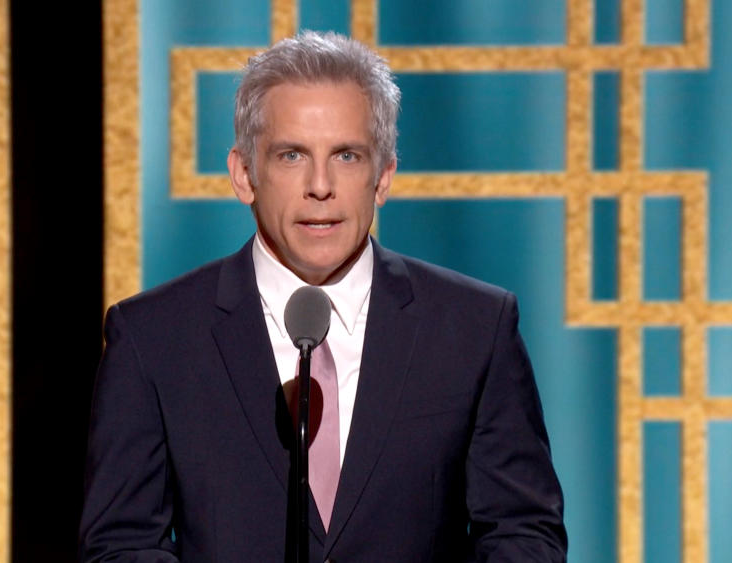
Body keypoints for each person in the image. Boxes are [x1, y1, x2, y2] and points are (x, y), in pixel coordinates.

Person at [79, 31, 567, 562]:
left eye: (347, 156)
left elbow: (524, 534)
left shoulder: (474, 329)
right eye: (291, 155)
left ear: (382, 178)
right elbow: (120, 546)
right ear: (244, 174)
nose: (320, 185)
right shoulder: (154, 337)